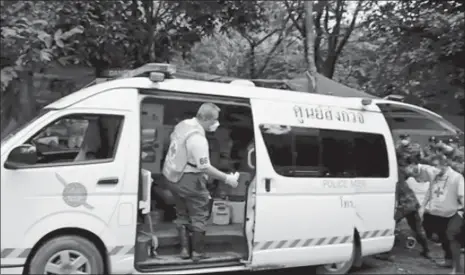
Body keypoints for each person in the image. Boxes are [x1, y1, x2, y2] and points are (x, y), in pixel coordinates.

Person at [162, 102, 239, 261]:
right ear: (206, 119)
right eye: (214, 120)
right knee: (199, 213)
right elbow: (204, 167)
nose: (216, 123)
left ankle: (184, 250)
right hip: (189, 180)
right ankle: (197, 252)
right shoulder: (198, 139)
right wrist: (228, 179)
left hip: (173, 176)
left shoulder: (183, 125)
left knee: (182, 212)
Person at [409, 154, 464, 274]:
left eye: (436, 166)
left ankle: (456, 266)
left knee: (451, 239)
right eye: (433, 166)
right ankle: (448, 261)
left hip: (451, 213)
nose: (434, 169)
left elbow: (462, 195)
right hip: (437, 213)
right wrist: (423, 206)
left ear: (444, 165)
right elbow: (430, 191)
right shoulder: (435, 176)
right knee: (442, 238)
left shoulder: (456, 177)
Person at [377, 157, 431, 261]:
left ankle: (386, 252)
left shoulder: (394, 172)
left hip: (404, 204)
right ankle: (427, 251)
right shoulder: (400, 172)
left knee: (390, 225)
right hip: (412, 202)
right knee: (418, 228)